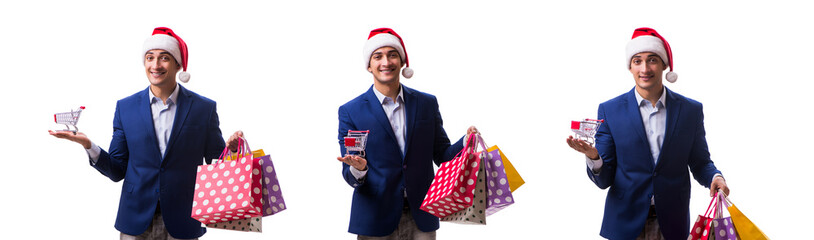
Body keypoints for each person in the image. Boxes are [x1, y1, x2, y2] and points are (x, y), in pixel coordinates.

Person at [50, 27, 244, 240]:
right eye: (150, 58)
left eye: (164, 58)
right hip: (135, 218)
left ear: (178, 64)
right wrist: (89, 145)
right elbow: (117, 170)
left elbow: (216, 163)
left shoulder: (203, 108)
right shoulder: (126, 107)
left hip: (184, 218)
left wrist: (232, 151)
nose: (155, 65)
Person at [566, 27, 730, 240]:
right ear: (630, 67)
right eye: (637, 61)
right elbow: (604, 180)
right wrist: (594, 157)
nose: (645, 68)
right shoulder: (610, 111)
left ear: (664, 64)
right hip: (624, 223)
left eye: (652, 60)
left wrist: (715, 177)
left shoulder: (690, 110)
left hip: (672, 223)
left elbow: (700, 161)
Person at [336, 28, 478, 240]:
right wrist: (359, 169)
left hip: (421, 214)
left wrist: (467, 141)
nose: (386, 62)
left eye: (392, 54)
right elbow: (350, 176)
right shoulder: (351, 111)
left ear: (402, 62)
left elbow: (443, 156)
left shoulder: (426, 103)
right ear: (369, 65)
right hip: (375, 217)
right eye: (378, 56)